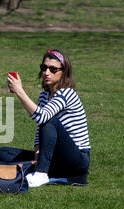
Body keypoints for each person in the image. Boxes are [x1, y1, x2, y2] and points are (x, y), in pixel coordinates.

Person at [6, 49, 91, 187]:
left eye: (53, 69)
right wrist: (37, 154)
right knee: (6, 153)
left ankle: (41, 174)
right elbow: (40, 128)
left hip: (78, 160)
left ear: (64, 72)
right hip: (59, 157)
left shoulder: (66, 94)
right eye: (44, 68)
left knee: (48, 119)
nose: (47, 72)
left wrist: (19, 91)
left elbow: (42, 118)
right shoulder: (44, 96)